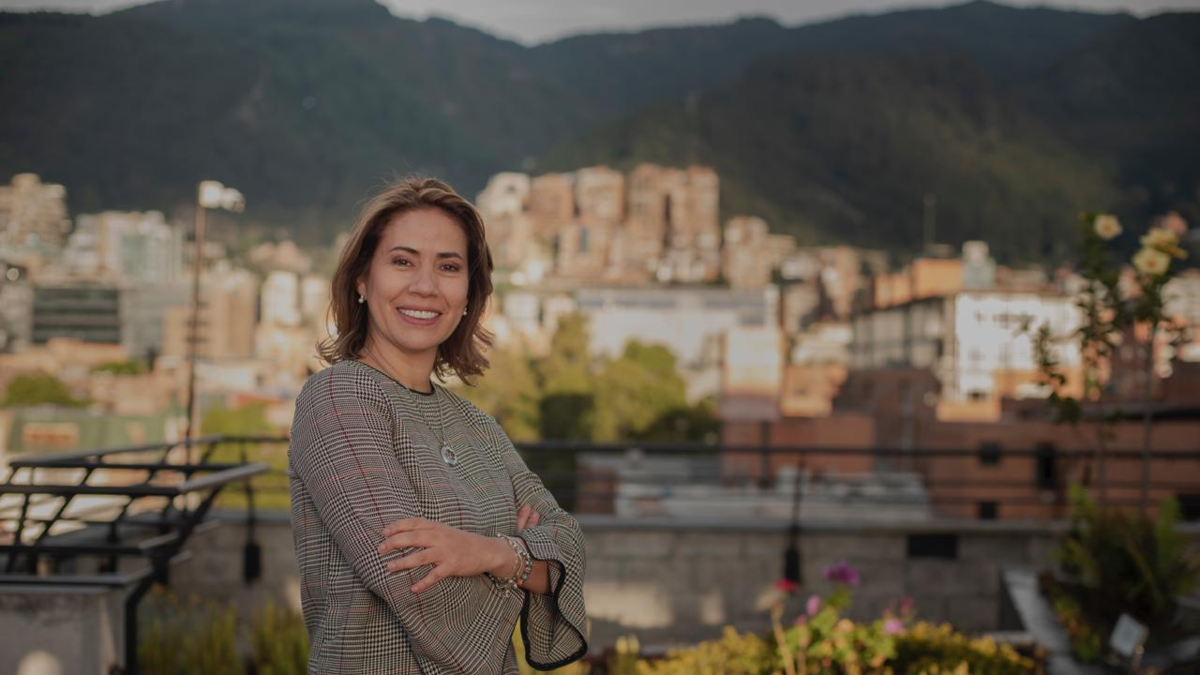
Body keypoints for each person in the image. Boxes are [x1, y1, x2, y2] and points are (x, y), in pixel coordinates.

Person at [288, 177, 587, 674]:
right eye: (402, 261)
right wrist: (522, 564)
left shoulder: (476, 424)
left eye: (448, 267)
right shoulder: (337, 398)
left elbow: (570, 546)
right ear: (362, 279)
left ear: (469, 293)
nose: (425, 286)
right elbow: (411, 581)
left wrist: (486, 553)